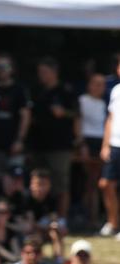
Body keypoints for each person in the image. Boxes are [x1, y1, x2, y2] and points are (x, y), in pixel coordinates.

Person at [27, 57, 78, 219]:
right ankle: (37, 217)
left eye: (45, 72)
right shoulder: (37, 91)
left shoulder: (66, 91)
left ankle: (61, 220)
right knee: (37, 184)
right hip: (38, 144)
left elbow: (77, 115)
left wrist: (64, 113)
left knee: (60, 185)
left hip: (60, 146)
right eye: (40, 72)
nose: (41, 75)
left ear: (54, 72)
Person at [0, 55, 31, 178]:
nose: (2, 70)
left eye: (5, 66)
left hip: (12, 145)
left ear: (12, 69)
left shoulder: (19, 90)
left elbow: (26, 117)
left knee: (14, 181)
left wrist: (20, 140)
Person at [79, 74, 106, 228]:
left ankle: (94, 218)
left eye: (101, 84)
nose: (98, 87)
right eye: (95, 84)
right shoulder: (82, 100)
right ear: (89, 85)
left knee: (95, 183)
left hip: (100, 142)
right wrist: (81, 143)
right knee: (89, 183)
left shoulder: (103, 103)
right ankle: (88, 217)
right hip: (87, 142)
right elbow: (79, 122)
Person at [99, 62, 120, 240]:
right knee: (106, 184)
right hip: (114, 145)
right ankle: (113, 223)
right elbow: (110, 118)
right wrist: (105, 145)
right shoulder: (115, 90)